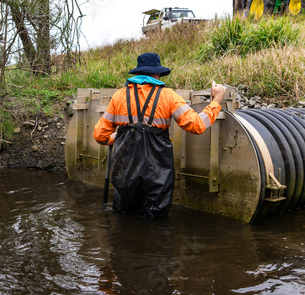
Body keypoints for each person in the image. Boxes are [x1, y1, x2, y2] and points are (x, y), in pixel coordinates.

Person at [93, 52, 225, 218]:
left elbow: (99, 135)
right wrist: (216, 100)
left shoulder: (119, 96)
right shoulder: (168, 96)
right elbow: (196, 126)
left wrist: (112, 138)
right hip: (157, 169)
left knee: (124, 216)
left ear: (136, 74)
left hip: (125, 168)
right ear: (157, 74)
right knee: (155, 217)